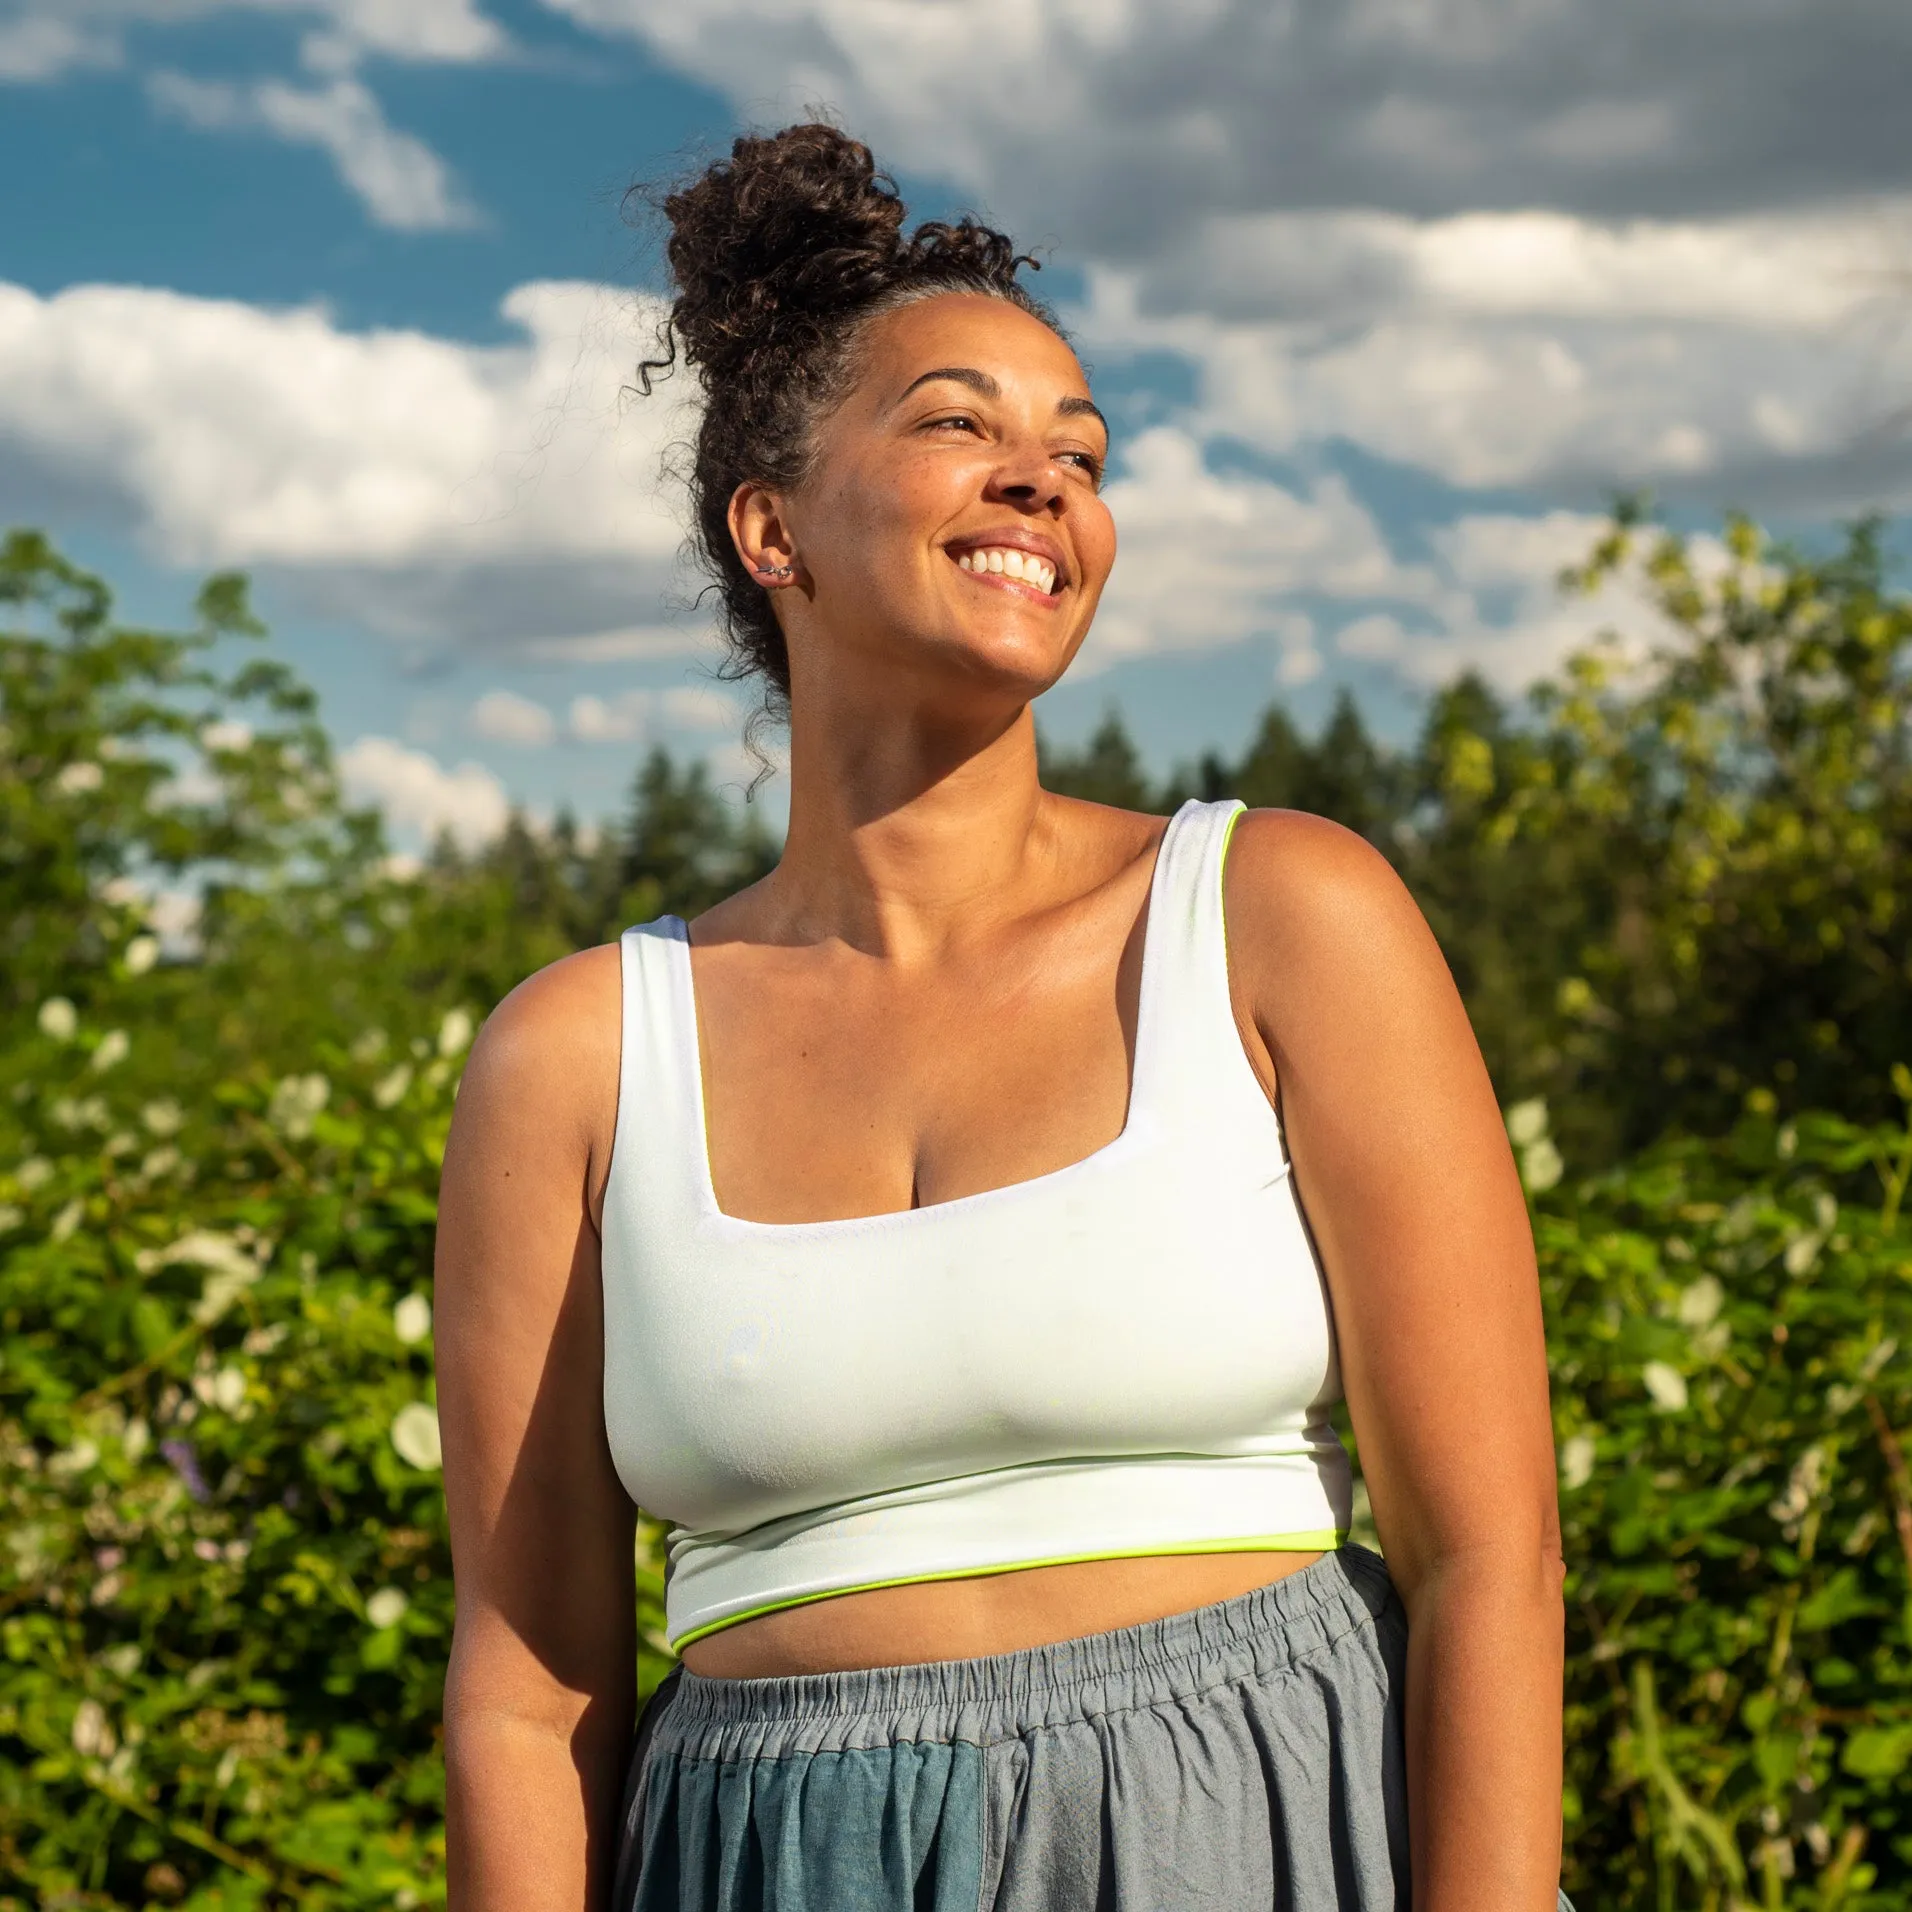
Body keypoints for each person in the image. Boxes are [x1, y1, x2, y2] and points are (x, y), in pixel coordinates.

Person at [434, 123, 1569, 1912]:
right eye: (962, 423)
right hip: (770, 1868)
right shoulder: (577, 1055)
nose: (1046, 484)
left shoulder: (1280, 916)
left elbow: (1488, 1554)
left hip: (1256, 1831)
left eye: (1083, 454)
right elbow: (526, 1689)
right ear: (774, 525)